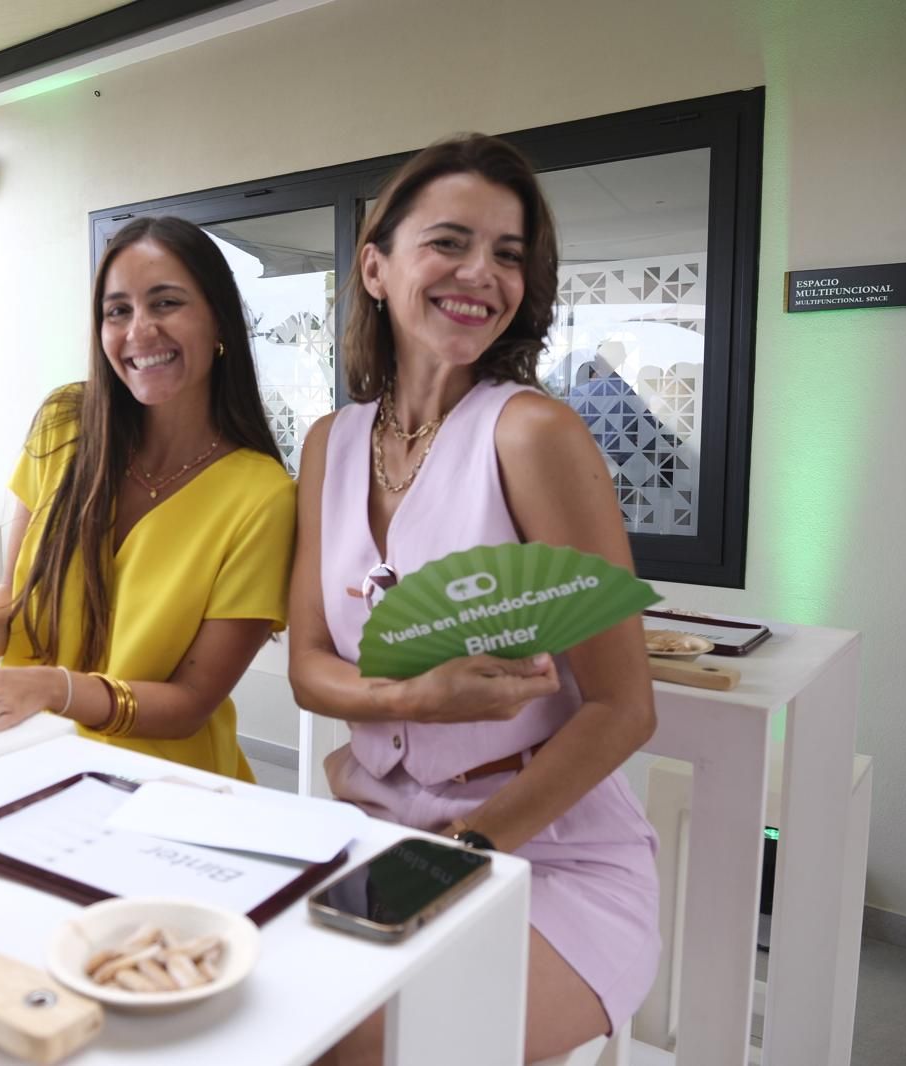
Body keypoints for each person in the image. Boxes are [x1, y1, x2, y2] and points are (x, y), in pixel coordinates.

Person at [287, 135, 660, 1062]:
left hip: (545, 853)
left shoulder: (533, 434)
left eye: (507, 253)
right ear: (374, 268)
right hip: (374, 822)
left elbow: (623, 707)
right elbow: (307, 669)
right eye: (448, 242)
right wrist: (416, 697)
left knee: (351, 1042)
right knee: (250, 1011)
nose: (480, 274)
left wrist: (463, 849)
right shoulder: (330, 443)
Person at [0, 216, 295, 780]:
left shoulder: (263, 496)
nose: (140, 331)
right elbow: (15, 596)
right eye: (118, 311)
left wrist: (56, 689)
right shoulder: (64, 424)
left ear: (219, 320)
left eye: (166, 303)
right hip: (29, 756)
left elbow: (190, 703)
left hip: (166, 788)